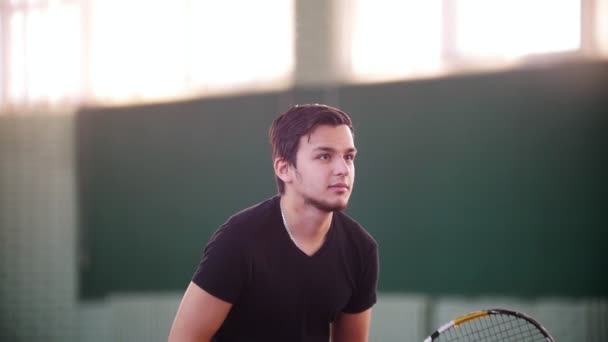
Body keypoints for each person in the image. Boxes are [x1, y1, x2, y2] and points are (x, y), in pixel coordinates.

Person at [168, 104, 379, 342]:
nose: (343, 169)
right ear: (284, 169)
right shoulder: (238, 241)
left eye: (349, 157)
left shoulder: (361, 250)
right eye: (324, 156)